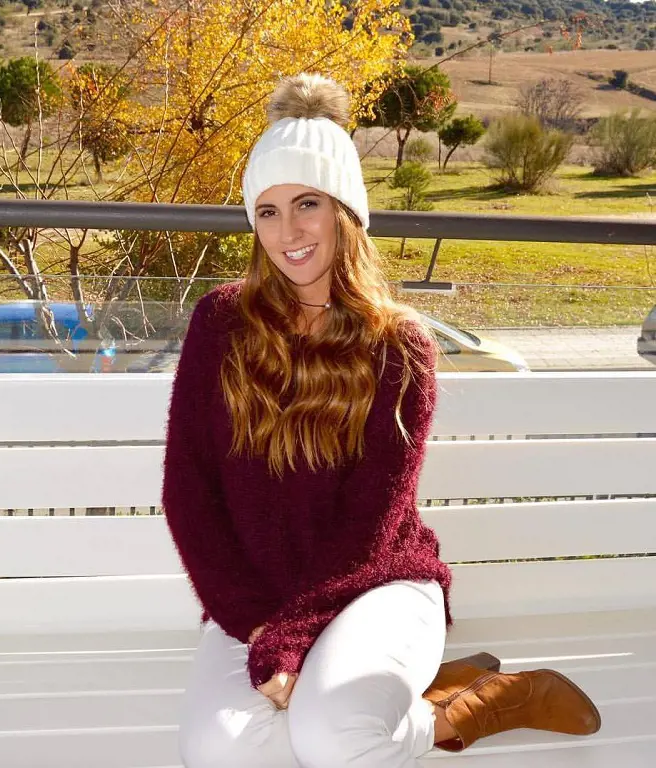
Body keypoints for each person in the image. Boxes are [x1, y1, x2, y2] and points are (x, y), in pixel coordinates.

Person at [162, 73, 600, 768]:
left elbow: (369, 524)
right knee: (223, 753)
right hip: (257, 596)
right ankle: (411, 694)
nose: (288, 232)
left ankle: (472, 708)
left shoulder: (398, 344)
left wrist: (291, 639)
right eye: (267, 210)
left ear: (345, 211)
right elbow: (189, 492)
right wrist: (259, 624)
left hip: (377, 583)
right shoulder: (221, 323)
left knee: (335, 740)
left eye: (307, 203)